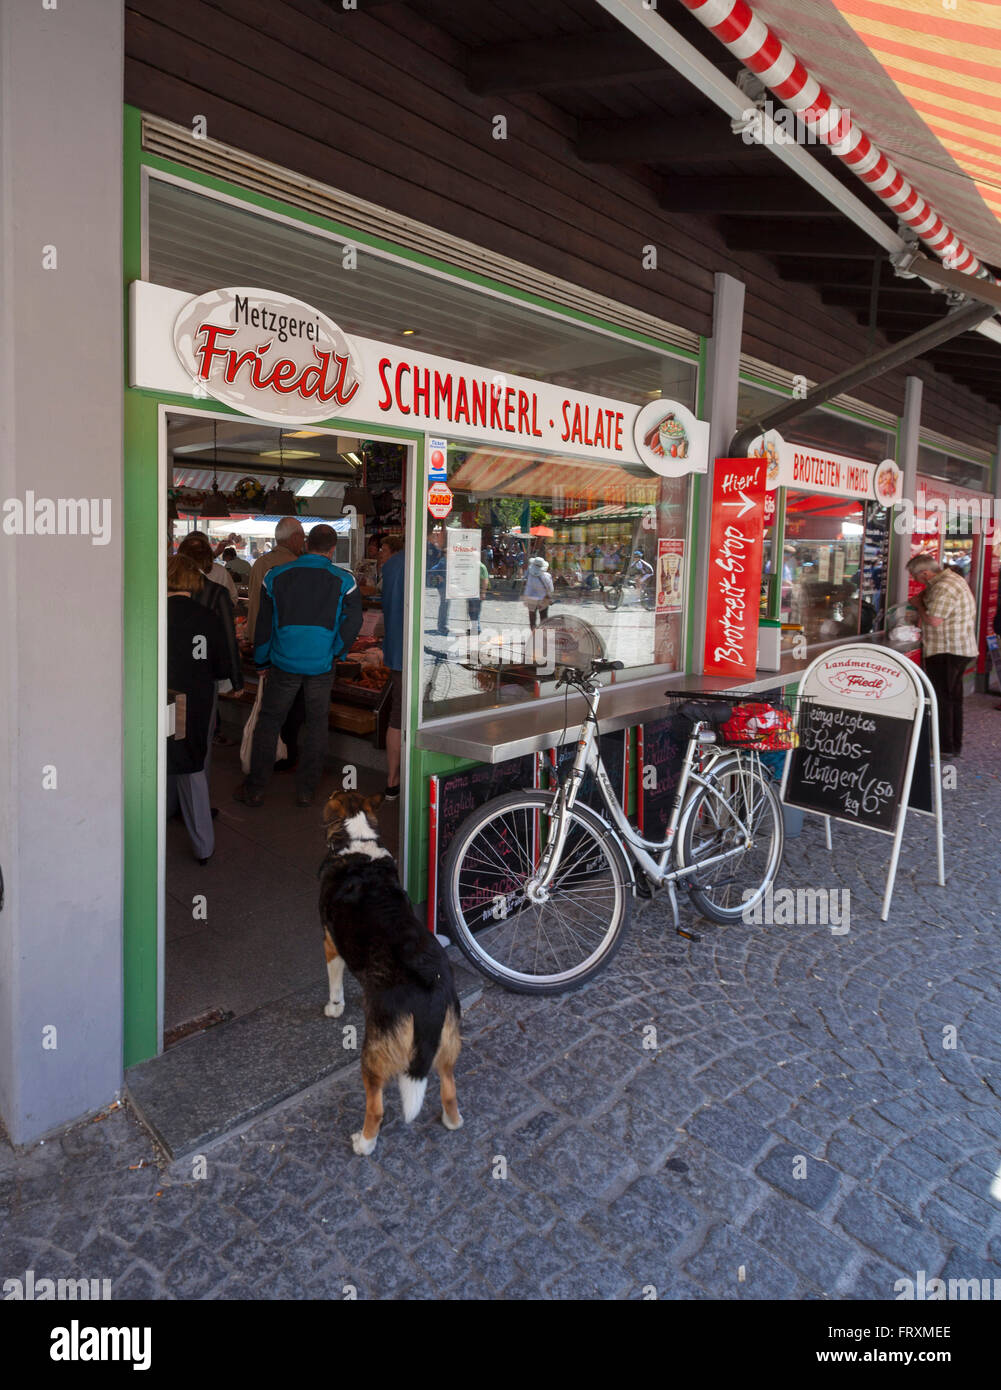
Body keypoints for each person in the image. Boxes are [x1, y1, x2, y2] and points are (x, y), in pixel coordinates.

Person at [235, 524, 362, 807]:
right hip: (321, 665)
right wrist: (336, 652)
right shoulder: (345, 581)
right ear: (332, 549)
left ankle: (255, 788)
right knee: (317, 725)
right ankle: (306, 790)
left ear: (305, 544)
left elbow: (264, 625)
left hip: (283, 663)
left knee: (269, 723)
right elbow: (353, 622)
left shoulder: (275, 576)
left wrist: (261, 660)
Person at [166, 554, 230, 865]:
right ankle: (203, 844)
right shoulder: (206, 617)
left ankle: (161, 815)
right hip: (193, 699)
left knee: (161, 757)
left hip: (163, 697)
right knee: (191, 766)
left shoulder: (151, 614)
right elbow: (218, 664)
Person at [246, 516, 307, 771]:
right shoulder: (300, 565)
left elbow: (256, 610)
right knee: (293, 709)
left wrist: (255, 645)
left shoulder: (261, 563)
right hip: (295, 650)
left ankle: (265, 761)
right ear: (293, 538)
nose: (303, 541)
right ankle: (288, 756)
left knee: (271, 711)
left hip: (269, 647)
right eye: (302, 536)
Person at [907, 552, 978, 757]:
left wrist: (918, 605)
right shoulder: (950, 579)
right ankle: (953, 745)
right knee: (953, 699)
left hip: (946, 650)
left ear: (926, 573)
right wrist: (923, 596)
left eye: (916, 576)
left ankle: (943, 747)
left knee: (942, 699)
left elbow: (934, 620)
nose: (915, 581)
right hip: (958, 648)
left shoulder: (943, 587)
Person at [379, 535, 406, 798]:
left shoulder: (392, 566)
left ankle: (392, 781)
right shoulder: (431, 562)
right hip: (425, 652)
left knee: (397, 716)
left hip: (397, 651)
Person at [521, 555, 554, 630]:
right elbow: (551, 589)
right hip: (543, 599)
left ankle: (534, 634)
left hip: (531, 599)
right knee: (544, 618)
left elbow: (527, 589)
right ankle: (544, 634)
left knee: (532, 619)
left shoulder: (530, 576)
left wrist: (525, 599)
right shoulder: (547, 576)